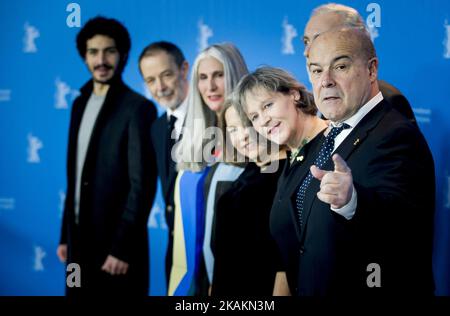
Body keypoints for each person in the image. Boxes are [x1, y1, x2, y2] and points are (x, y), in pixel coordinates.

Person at [271, 27, 434, 296]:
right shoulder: (327, 136)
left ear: (371, 70)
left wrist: (352, 201)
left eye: (341, 66)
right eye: (316, 70)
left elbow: (403, 225)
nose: (326, 81)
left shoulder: (396, 134)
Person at [56, 16, 157, 297]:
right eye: (93, 52)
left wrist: (122, 249)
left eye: (109, 51)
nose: (101, 60)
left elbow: (142, 185)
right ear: (84, 56)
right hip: (78, 243)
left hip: (117, 251)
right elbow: (75, 176)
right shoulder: (79, 104)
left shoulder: (139, 108)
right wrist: (65, 236)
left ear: (123, 55)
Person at [235, 66, 328, 295]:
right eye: (254, 116)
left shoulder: (332, 145)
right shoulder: (291, 158)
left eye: (268, 105)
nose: (263, 120)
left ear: (294, 94)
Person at [169, 43, 248, 296]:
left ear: (234, 75)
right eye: (203, 77)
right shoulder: (192, 139)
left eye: (218, 75)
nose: (210, 86)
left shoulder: (254, 142)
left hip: (233, 281)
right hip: (191, 280)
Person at [210, 95, 285, 296]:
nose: (242, 136)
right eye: (233, 129)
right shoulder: (250, 171)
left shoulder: (286, 176)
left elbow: (284, 258)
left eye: (247, 124)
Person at [302, 3, 417, 126]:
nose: (307, 52)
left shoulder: (387, 101)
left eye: (321, 38)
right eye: (306, 41)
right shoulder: (313, 98)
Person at [138, 41, 189, 287]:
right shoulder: (157, 128)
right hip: (175, 254)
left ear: (184, 69)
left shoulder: (215, 119)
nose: (159, 87)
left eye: (166, 75)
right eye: (150, 80)